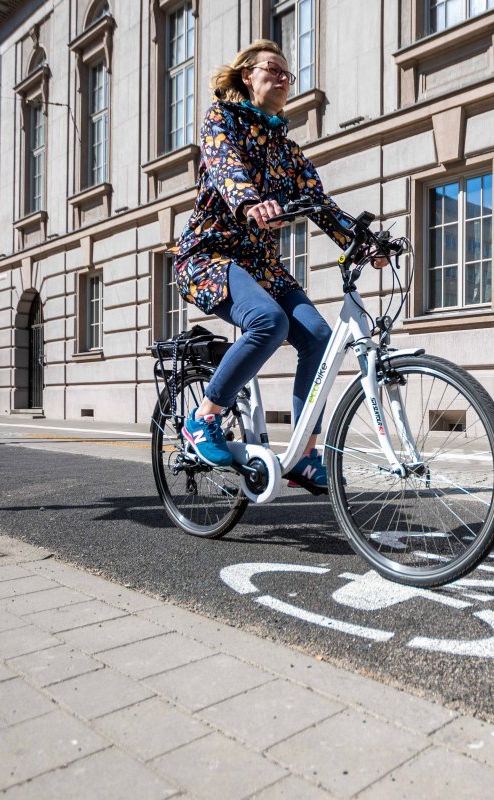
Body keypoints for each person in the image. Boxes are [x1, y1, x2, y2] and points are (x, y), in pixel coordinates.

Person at [172, 40, 386, 493]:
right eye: (273, 69)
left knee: (320, 339)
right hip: (208, 255)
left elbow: (323, 207)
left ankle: (303, 455)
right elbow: (226, 166)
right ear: (248, 76)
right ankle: (203, 418)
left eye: (289, 73)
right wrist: (250, 200)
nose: (283, 78)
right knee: (266, 321)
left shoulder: (288, 153)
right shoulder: (221, 119)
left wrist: (367, 242)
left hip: (262, 266)